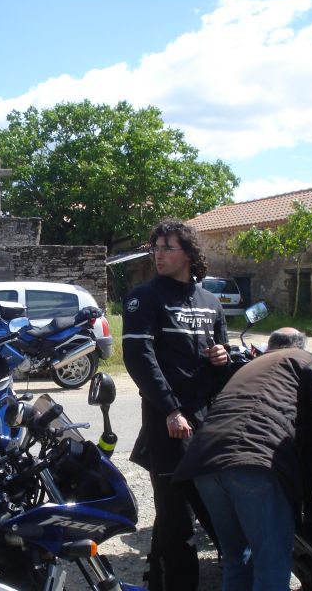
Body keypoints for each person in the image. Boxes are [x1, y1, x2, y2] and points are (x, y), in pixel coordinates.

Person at [175, 328, 312, 590]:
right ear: (302, 346)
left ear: (270, 346)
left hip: (204, 461)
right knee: (272, 565)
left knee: (237, 560)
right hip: (253, 464)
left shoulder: (250, 366)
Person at [122, 218, 230, 591]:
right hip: (167, 418)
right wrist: (170, 409)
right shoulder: (145, 297)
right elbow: (139, 359)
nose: (159, 254)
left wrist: (222, 358)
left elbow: (222, 358)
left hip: (206, 416)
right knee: (176, 516)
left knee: (216, 506)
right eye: (156, 247)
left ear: (188, 254)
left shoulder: (210, 302)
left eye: (168, 247)